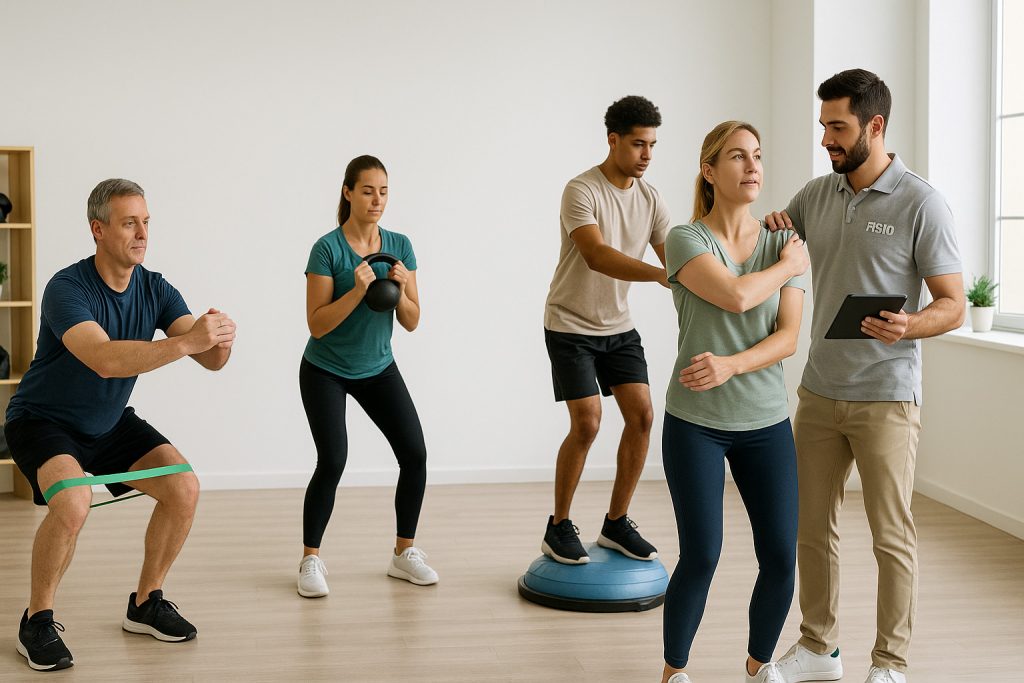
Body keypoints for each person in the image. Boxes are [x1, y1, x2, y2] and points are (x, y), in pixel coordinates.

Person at [766, 69, 964, 683]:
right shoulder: (815, 195)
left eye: (838, 127)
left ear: (875, 127)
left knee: (890, 537)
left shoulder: (921, 202)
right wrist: (765, 231)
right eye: (824, 124)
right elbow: (776, 251)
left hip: (886, 398)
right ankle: (819, 649)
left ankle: (890, 664)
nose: (826, 137)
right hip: (819, 393)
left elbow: (952, 302)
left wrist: (910, 327)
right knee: (812, 530)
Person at [5, 179, 235, 672]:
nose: (142, 233)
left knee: (183, 487)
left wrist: (219, 340)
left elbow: (209, 361)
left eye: (146, 221)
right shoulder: (66, 288)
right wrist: (188, 343)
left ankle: (146, 602)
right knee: (73, 499)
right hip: (42, 420)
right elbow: (104, 360)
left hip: (108, 422)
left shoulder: (155, 287)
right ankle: (37, 622)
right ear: (99, 229)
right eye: (130, 222)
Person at [660, 122, 809, 683]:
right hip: (695, 423)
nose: (753, 167)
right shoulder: (686, 239)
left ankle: (758, 665)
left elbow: (788, 338)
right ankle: (675, 672)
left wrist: (731, 365)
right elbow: (737, 295)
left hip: (766, 421)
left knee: (779, 556)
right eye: (738, 156)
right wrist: (789, 268)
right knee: (701, 554)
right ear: (709, 170)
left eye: (758, 156)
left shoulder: (781, 242)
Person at [296, 155, 436, 598]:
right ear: (348, 193)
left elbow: (413, 321)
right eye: (368, 190)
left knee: (414, 454)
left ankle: (403, 554)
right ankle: (310, 560)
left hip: (378, 367)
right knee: (333, 460)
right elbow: (316, 324)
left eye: (384, 191)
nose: (377, 200)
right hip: (325, 370)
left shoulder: (400, 246)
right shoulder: (327, 249)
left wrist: (400, 288)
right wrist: (358, 290)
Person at [541, 95, 671, 565]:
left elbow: (674, 257)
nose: (647, 155)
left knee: (642, 416)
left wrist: (721, 284)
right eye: (638, 144)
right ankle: (558, 526)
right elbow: (597, 255)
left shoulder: (651, 197)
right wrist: (660, 275)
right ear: (613, 140)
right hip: (570, 324)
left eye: (652, 145)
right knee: (588, 422)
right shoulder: (582, 190)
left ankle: (616, 522)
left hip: (618, 327)